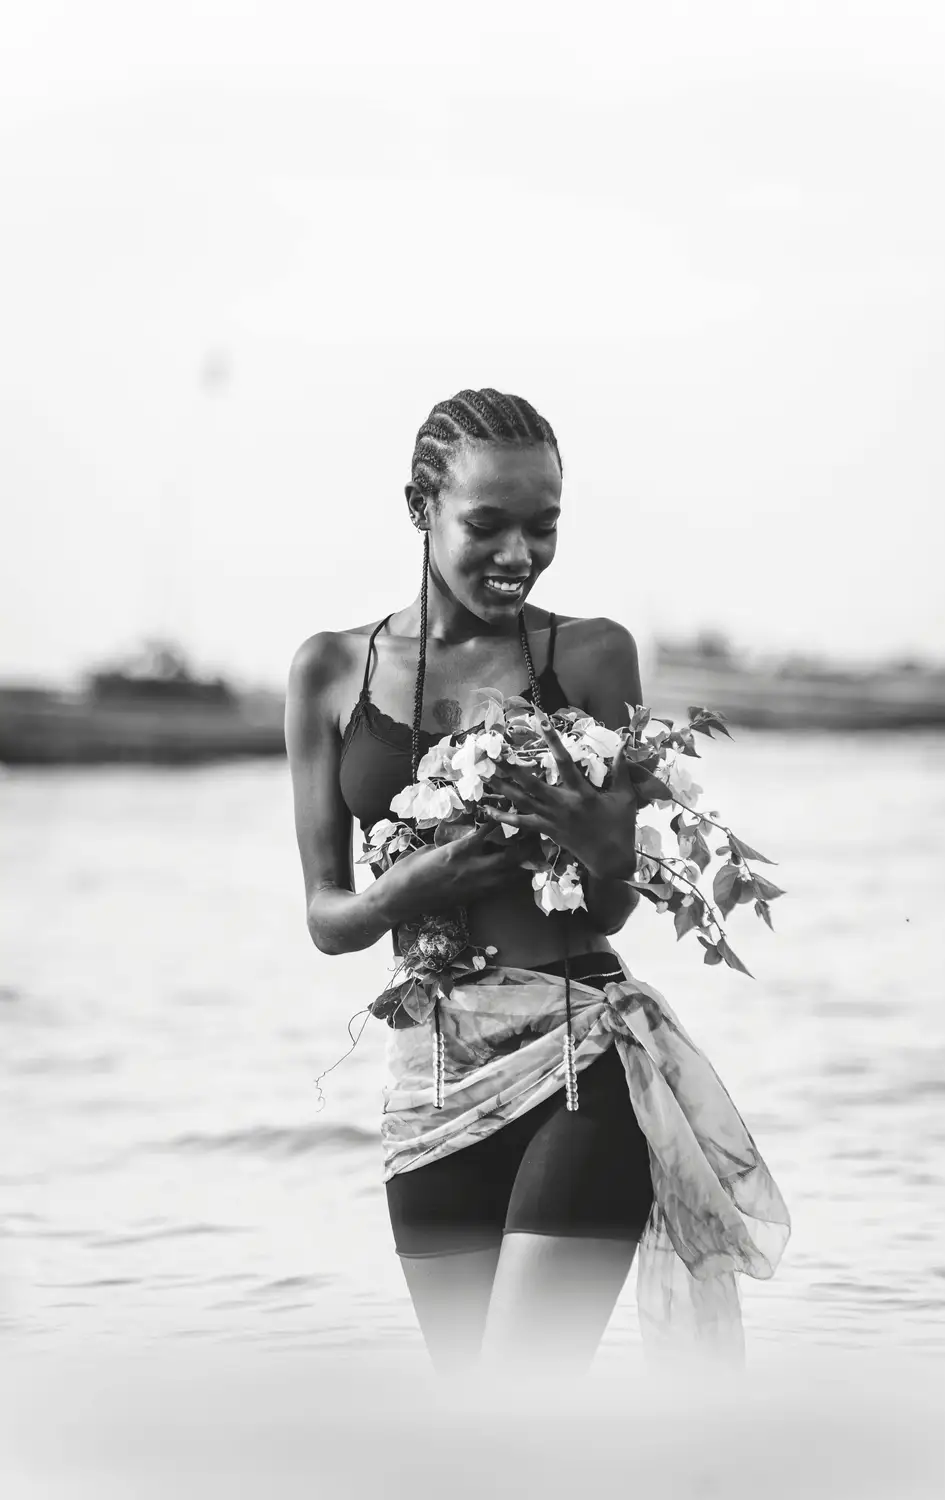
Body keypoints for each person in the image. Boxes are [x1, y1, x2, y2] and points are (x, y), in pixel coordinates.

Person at [285, 388, 789, 1375]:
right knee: (479, 1434)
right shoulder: (328, 671)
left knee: (523, 1394)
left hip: (575, 1055)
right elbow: (325, 915)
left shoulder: (592, 657)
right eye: (488, 525)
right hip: (426, 1083)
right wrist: (399, 894)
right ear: (418, 507)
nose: (517, 554)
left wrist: (605, 845)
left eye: (543, 527)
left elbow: (606, 904)